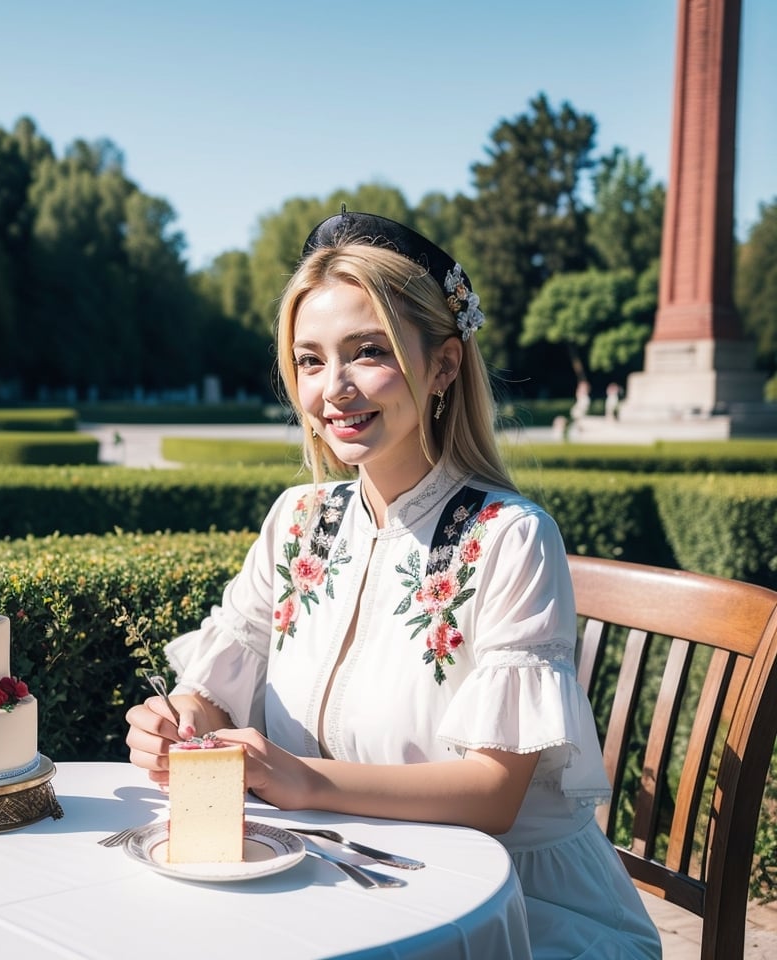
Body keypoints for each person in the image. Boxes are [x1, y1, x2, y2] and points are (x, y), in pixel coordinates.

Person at [125, 209, 661, 958]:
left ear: (443, 365)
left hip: (516, 907)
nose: (334, 389)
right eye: (310, 361)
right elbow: (219, 683)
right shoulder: (296, 521)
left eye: (367, 352)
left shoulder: (511, 537)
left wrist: (304, 781)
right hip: (337, 878)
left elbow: (494, 795)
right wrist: (179, 720)